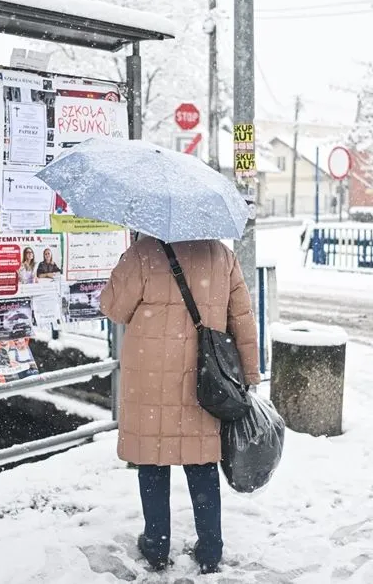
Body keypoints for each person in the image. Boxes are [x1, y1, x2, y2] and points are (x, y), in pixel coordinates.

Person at [101, 237, 259, 575]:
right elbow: (242, 319)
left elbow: (113, 307)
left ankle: (156, 546)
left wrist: (128, 260)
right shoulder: (222, 255)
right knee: (201, 462)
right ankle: (210, 549)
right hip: (204, 380)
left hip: (149, 379)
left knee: (152, 461)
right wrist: (249, 374)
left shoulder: (144, 252)